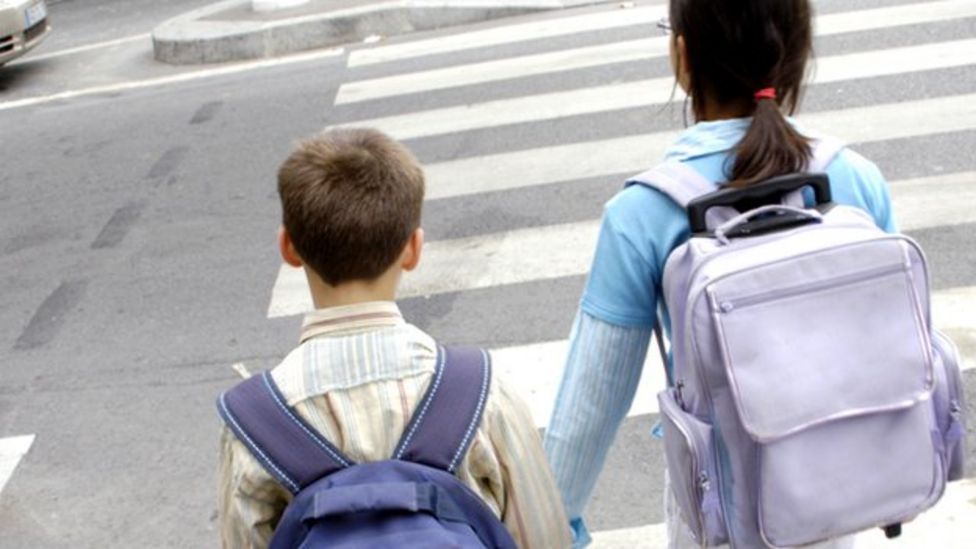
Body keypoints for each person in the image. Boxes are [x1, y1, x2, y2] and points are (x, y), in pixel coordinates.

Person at [543, 0, 895, 547]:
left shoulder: (644, 212)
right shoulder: (855, 178)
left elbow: (591, 400)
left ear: (682, 57)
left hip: (717, 512)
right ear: (795, 54)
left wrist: (552, 521)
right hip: (835, 492)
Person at [216, 128, 572, 549]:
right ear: (414, 249)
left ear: (289, 248)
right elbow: (544, 539)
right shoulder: (479, 394)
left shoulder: (256, 425)